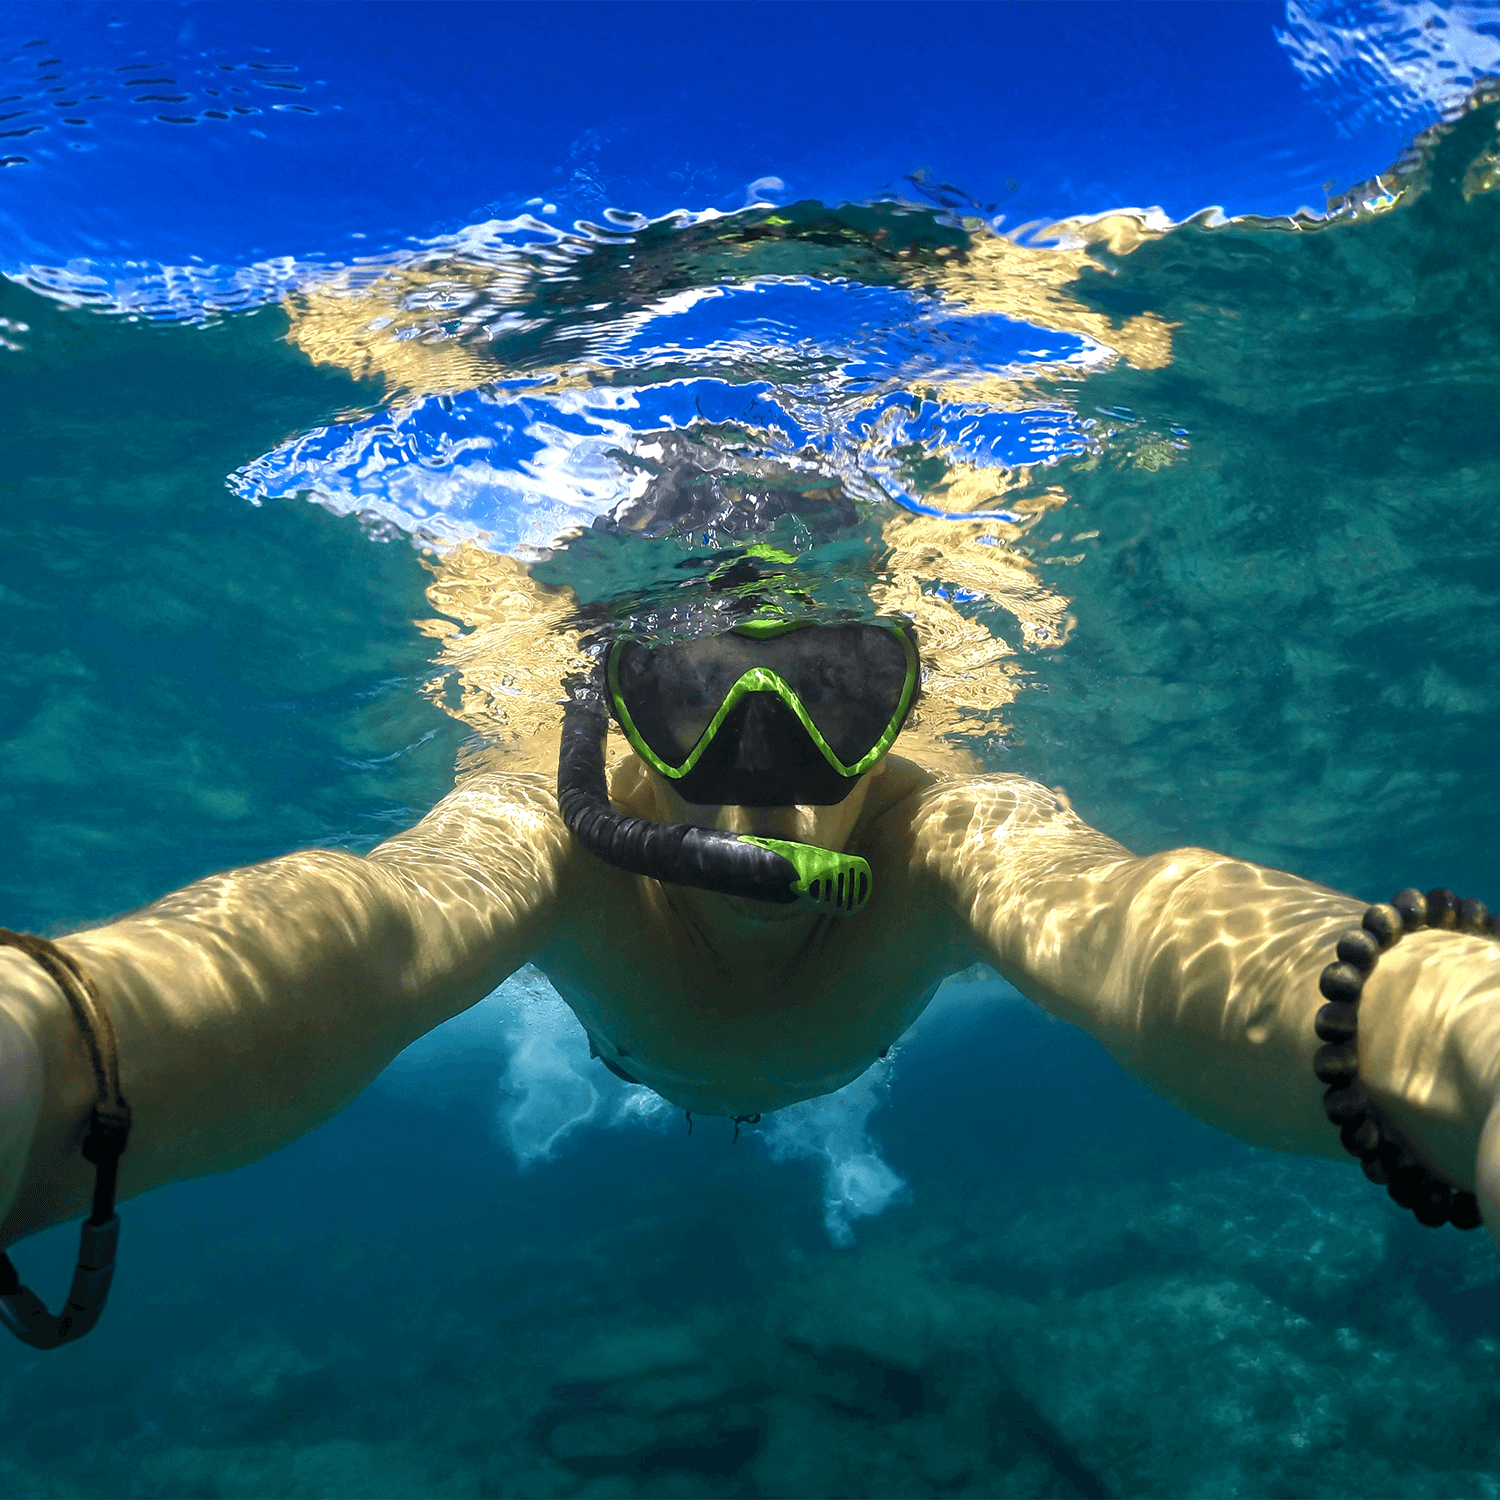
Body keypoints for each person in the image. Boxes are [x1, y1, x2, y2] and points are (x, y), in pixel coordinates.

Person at [2, 611, 1500, 1349]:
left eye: (836, 699)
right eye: (684, 700)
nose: (757, 797)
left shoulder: (954, 827)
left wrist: (1457, 1036)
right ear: (617, 722)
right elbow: (370, 921)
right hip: (640, 1059)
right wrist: (42, 1051)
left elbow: (1129, 918)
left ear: (902, 710)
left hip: (812, 1062)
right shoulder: (547, 826)